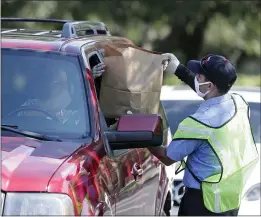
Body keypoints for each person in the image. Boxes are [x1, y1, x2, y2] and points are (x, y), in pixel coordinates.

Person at [147, 53, 259, 216]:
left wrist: (142, 137)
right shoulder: (238, 103)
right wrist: (178, 69)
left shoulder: (199, 124)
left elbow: (167, 157)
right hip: (229, 202)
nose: (196, 79)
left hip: (202, 204)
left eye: (199, 76)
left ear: (210, 86)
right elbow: (208, 92)